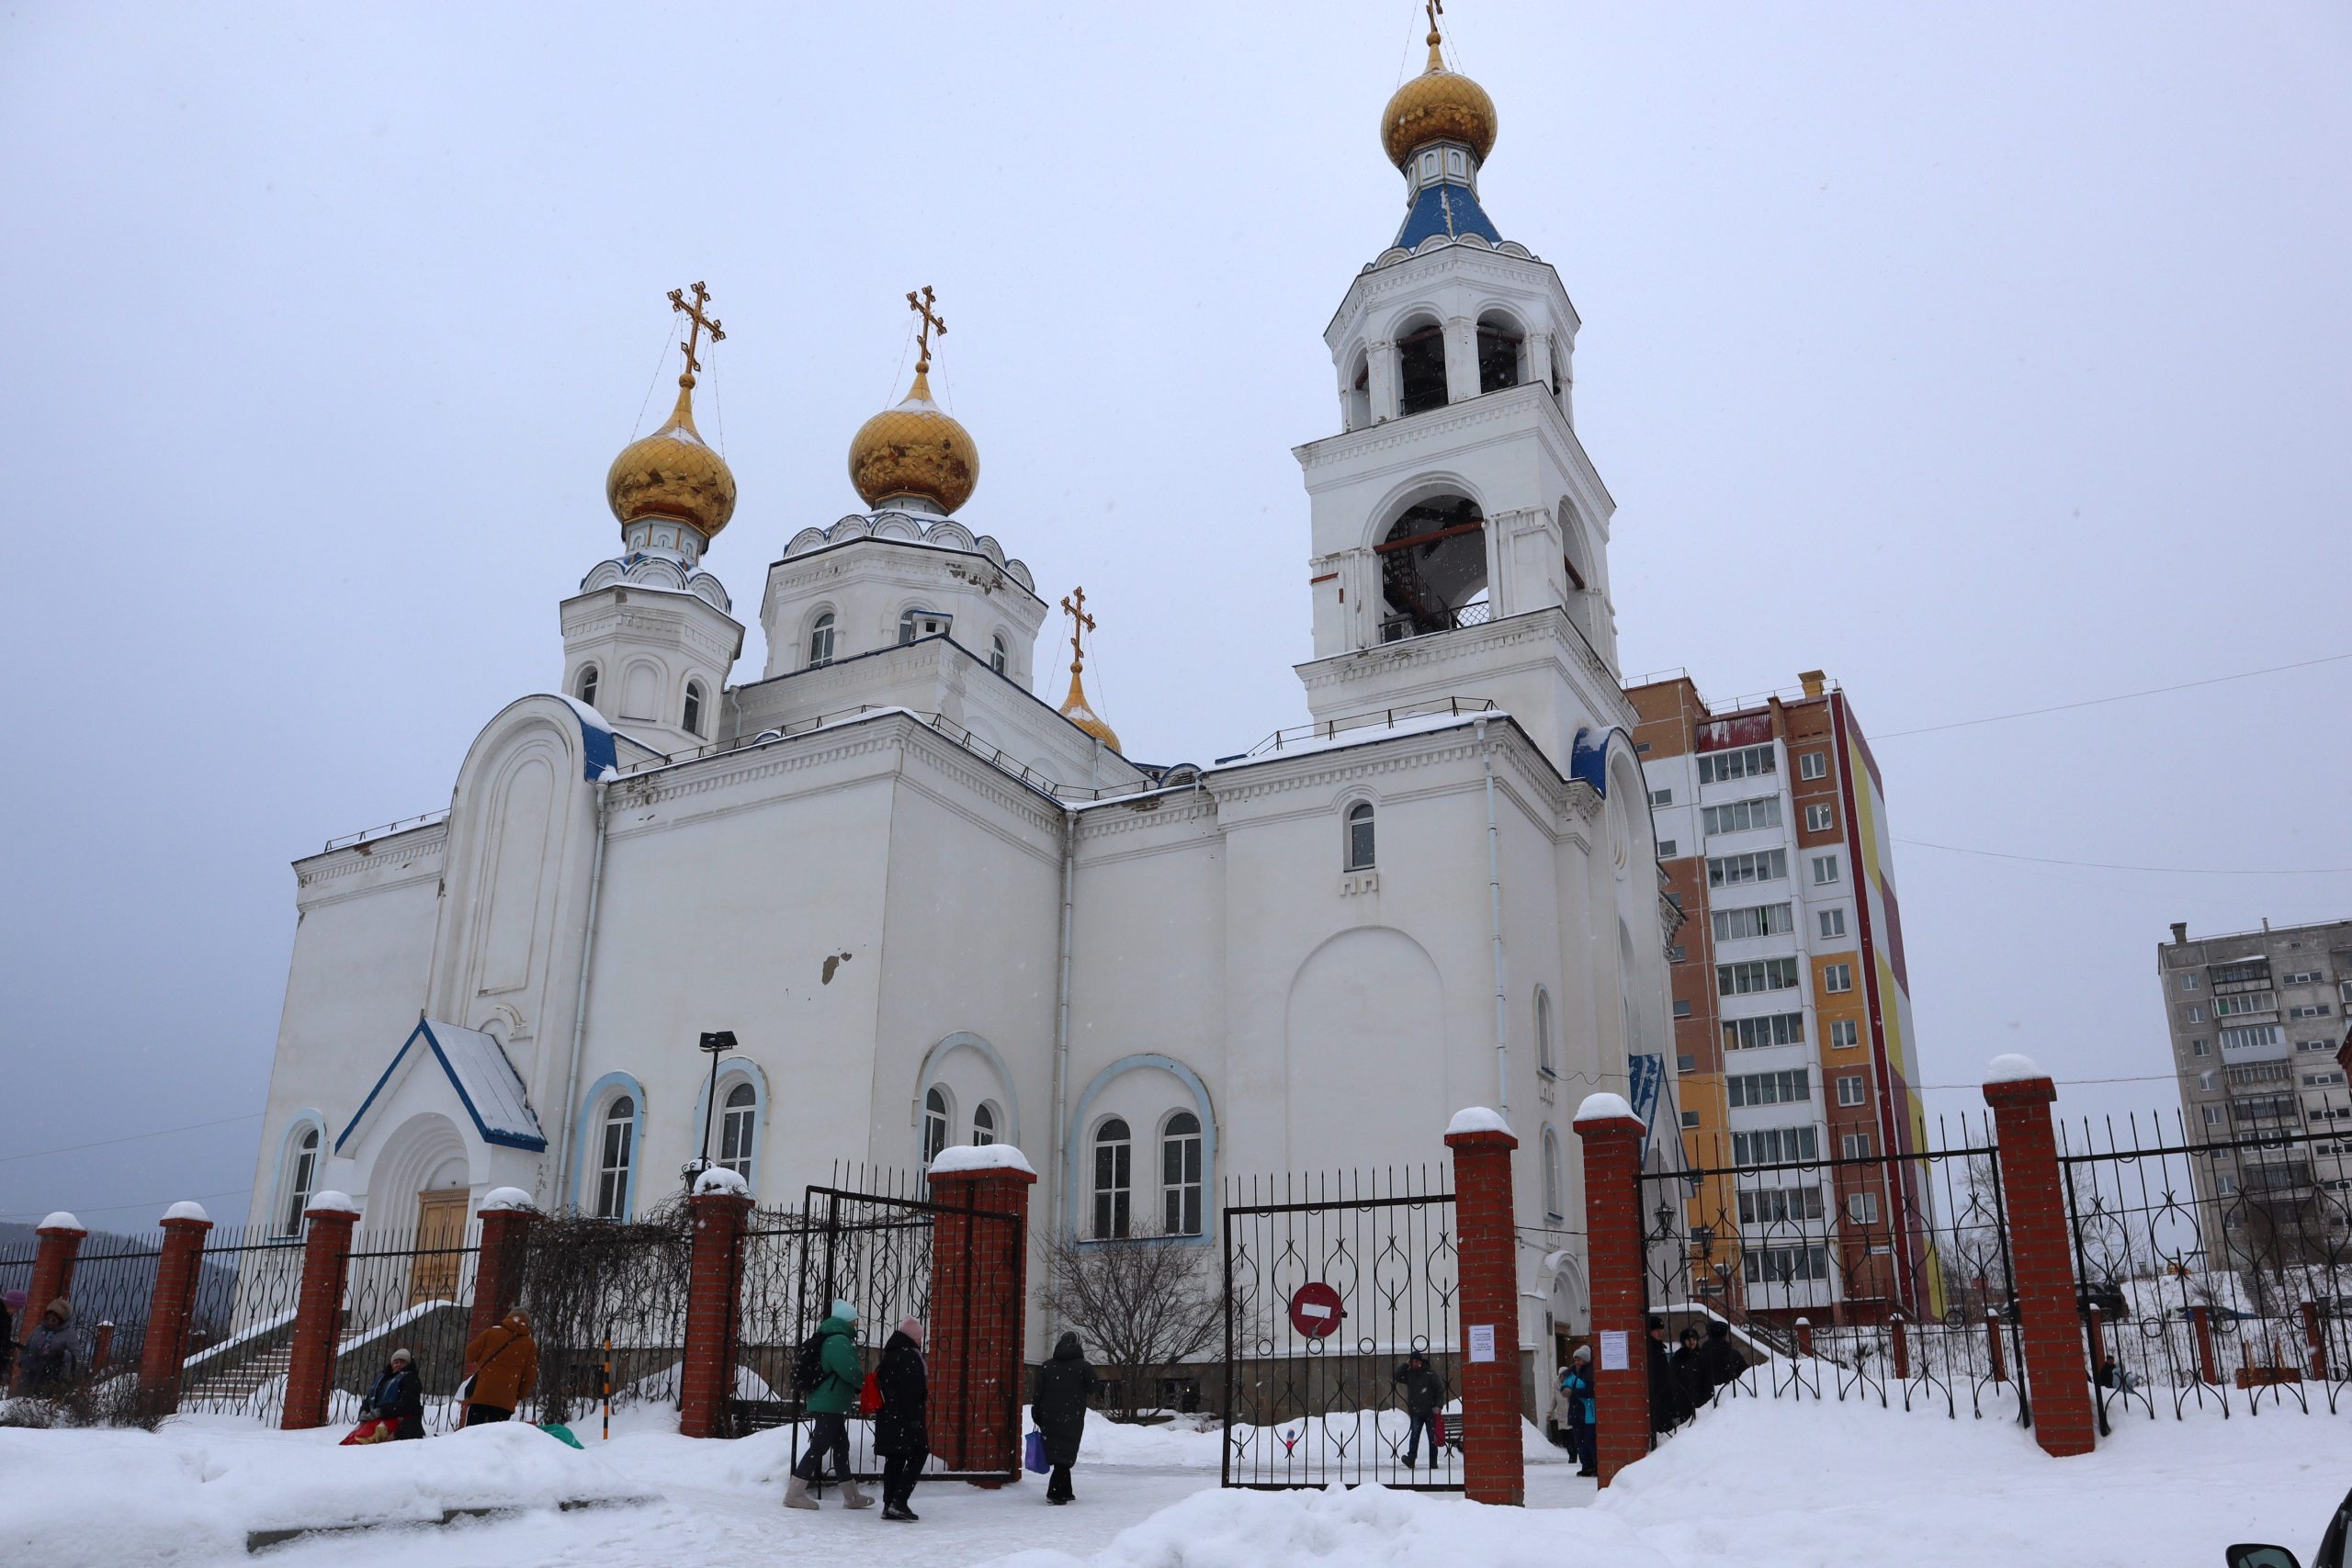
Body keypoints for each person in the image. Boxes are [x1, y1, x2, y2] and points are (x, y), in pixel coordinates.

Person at [786, 1300, 871, 1511]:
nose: (856, 1324)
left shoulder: (830, 1337)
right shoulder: (838, 1341)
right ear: (846, 1321)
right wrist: (864, 1382)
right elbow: (848, 1370)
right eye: (854, 1321)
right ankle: (794, 1494)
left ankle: (851, 1497)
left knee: (841, 1446)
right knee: (820, 1445)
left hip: (829, 1400)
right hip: (829, 1402)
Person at [1031, 1331, 1097, 1505]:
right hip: (1072, 1416)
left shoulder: (1047, 1366)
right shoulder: (1083, 1366)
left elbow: (1038, 1393)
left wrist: (1036, 1412)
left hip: (1049, 1416)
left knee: (1058, 1451)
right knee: (1066, 1452)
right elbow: (1094, 1388)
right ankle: (1055, 1494)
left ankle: (1066, 1490)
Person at [873, 1317, 928, 1522]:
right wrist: (915, 1419)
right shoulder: (909, 1357)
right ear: (913, 1337)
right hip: (905, 1417)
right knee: (920, 1452)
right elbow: (911, 1392)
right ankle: (899, 1500)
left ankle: (889, 1505)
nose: (921, 1341)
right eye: (920, 1338)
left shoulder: (891, 1354)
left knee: (895, 1458)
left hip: (889, 1416)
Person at [460, 1309, 538, 1427]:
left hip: (482, 1393)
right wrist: (518, 1395)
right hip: (505, 1400)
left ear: (508, 1318)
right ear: (527, 1323)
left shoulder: (491, 1333)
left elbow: (471, 1353)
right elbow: (530, 1376)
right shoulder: (529, 1344)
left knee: (472, 1433)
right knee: (495, 1435)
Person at [1391, 1349, 1445, 1471]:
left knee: (1432, 1437)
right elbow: (1396, 1376)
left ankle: (1433, 1462)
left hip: (1430, 1411)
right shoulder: (1410, 1374)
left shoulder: (1430, 1374)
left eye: (1417, 1361)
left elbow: (1439, 1390)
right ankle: (1411, 1459)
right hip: (1416, 1412)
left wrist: (1438, 1406)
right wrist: (1405, 1365)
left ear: (1421, 1362)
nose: (1415, 1364)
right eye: (1413, 1362)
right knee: (1414, 1436)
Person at [359, 1348, 425, 1439]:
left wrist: (381, 1411)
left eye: (402, 1362)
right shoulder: (382, 1378)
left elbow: (406, 1405)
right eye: (396, 1362)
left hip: (403, 1424)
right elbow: (369, 1399)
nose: (398, 1364)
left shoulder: (411, 1379)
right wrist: (364, 1411)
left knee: (366, 1440)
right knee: (355, 1439)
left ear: (408, 1363)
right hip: (377, 1420)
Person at [19, 1298, 78, 1395]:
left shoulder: (70, 1334)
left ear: (62, 1320)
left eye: (54, 1319)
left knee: (44, 1400)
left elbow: (74, 1357)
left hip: (53, 1376)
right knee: (24, 1399)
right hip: (30, 1374)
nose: (50, 1321)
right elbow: (27, 1347)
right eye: (48, 1318)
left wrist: (63, 1354)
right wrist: (23, 1361)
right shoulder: (38, 1330)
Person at [1646, 1317, 1690, 1435]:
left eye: (1661, 1329)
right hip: (1657, 1395)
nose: (1660, 1333)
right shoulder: (1650, 1349)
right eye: (1656, 1330)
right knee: (1662, 1431)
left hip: (1665, 1394)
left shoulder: (1659, 1348)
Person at [1565, 1345, 1597, 1477]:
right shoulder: (1572, 1373)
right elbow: (1563, 1385)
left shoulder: (1589, 1373)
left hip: (1588, 1413)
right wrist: (1565, 1389)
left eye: (1580, 1359)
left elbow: (1591, 1391)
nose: (1577, 1362)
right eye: (1576, 1359)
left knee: (1588, 1441)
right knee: (1580, 1442)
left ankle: (1593, 1465)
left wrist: (1574, 1392)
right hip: (1577, 1412)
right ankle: (1587, 1466)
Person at [1693, 1319, 1744, 1397]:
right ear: (1725, 1335)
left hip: (1706, 1397)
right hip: (1729, 1396)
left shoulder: (1700, 1355)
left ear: (1709, 1335)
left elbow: (1695, 1377)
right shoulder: (1734, 1354)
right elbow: (1747, 1375)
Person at [1669, 1325, 1709, 1416]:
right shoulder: (1678, 1357)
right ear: (1684, 1341)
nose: (1692, 1342)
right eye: (1688, 1339)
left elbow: (1708, 1378)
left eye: (1694, 1339)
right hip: (1684, 1400)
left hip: (1702, 1400)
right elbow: (1673, 1380)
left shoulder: (1702, 1356)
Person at [0, 1287, 22, 1385]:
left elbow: (3, 1338)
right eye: (17, 1308)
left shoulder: (6, 1316)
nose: (17, 1311)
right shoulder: (3, 1316)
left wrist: (13, 1345)